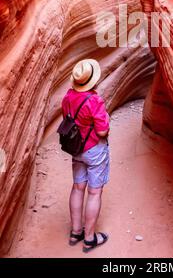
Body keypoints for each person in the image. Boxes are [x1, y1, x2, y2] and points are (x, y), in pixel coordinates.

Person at [62, 58, 110, 253]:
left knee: (77, 187)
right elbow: (102, 132)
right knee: (94, 192)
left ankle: (75, 232)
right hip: (94, 150)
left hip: (76, 149)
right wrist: (105, 118)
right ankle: (89, 239)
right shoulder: (94, 101)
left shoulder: (67, 97)